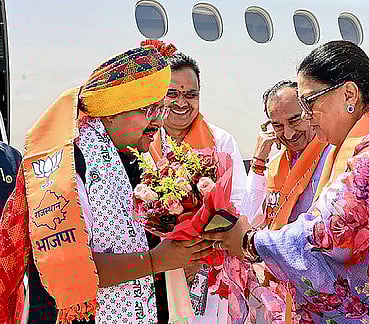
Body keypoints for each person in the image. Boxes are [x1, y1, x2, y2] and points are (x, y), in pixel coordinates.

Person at [202, 40, 369, 324]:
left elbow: (328, 232)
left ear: (349, 94)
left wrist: (250, 242)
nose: (307, 116)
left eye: (309, 102)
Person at [0, 42, 213, 323]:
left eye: (160, 110)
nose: (158, 123)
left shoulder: (131, 155)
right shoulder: (69, 165)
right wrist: (157, 261)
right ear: (112, 111)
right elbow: (73, 268)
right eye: (148, 111)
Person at [149, 52, 247, 324]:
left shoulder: (221, 140)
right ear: (159, 96)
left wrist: (199, 245)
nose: (181, 102)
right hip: (157, 264)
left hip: (209, 261)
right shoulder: (143, 141)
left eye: (191, 95)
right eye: (172, 94)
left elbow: (238, 201)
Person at [242, 80, 333, 228]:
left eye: (294, 120)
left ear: (308, 112)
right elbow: (249, 221)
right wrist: (258, 161)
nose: (289, 134)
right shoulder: (273, 165)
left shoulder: (333, 156)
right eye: (278, 125)